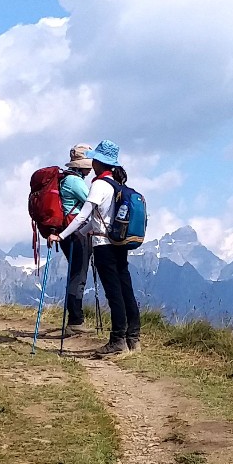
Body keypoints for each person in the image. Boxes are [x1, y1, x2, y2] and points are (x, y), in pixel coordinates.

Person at [54, 139, 139, 356]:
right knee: (125, 288)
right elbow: (96, 219)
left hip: (103, 246)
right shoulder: (116, 184)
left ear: (99, 163)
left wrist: (62, 235)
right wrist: (81, 233)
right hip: (119, 243)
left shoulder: (99, 185)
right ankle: (133, 338)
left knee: (114, 293)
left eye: (94, 160)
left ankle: (117, 340)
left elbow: (85, 215)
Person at [58, 144, 95, 331]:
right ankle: (75, 321)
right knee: (79, 274)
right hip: (77, 231)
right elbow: (92, 202)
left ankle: (74, 318)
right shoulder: (76, 182)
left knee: (75, 272)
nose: (91, 168)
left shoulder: (65, 179)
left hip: (66, 231)